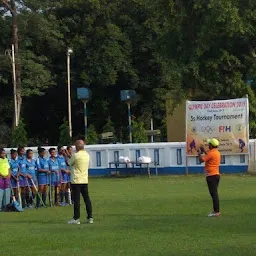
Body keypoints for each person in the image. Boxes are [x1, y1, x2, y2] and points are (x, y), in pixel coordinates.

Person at [67, 140, 93, 225]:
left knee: (77, 200)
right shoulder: (87, 155)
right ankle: (90, 217)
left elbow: (69, 162)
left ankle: (76, 218)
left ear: (77, 146)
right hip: (84, 180)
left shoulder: (76, 155)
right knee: (87, 199)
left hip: (76, 180)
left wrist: (66, 155)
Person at [198, 138, 221, 217]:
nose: (208, 145)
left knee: (214, 194)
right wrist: (204, 151)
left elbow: (201, 160)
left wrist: (199, 153)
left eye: (209, 144)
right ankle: (216, 211)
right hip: (216, 175)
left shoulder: (211, 153)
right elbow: (208, 156)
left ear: (211, 145)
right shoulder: (217, 152)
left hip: (211, 176)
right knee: (214, 194)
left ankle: (216, 211)